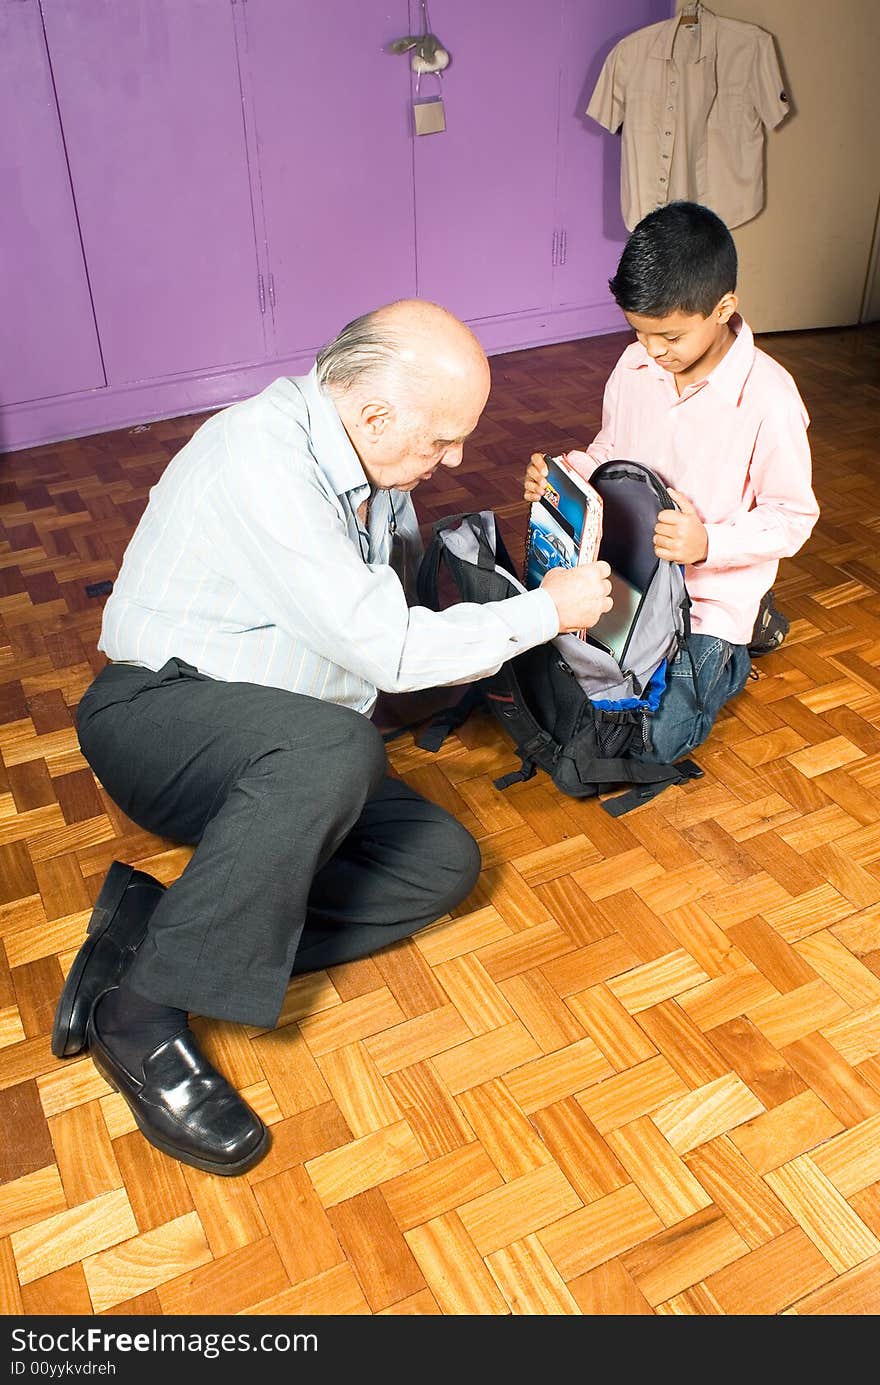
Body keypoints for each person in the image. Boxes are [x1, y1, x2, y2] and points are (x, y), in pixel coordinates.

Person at [53, 298, 613, 1177]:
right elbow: (385, 649)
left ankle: (153, 932)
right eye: (443, 439)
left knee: (442, 863)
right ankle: (140, 1013)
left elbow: (379, 630)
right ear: (375, 414)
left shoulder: (363, 466)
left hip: (279, 735)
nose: (455, 458)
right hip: (159, 716)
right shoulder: (261, 460)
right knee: (340, 751)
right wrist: (547, 611)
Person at [524, 201, 819, 765]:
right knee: (551, 679)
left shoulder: (769, 399)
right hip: (633, 581)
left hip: (707, 599)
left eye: (670, 336)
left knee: (651, 742)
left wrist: (709, 544)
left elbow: (792, 515)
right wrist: (563, 476)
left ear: (723, 308)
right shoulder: (634, 366)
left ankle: (744, 626)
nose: (654, 350)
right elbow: (612, 451)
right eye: (639, 331)